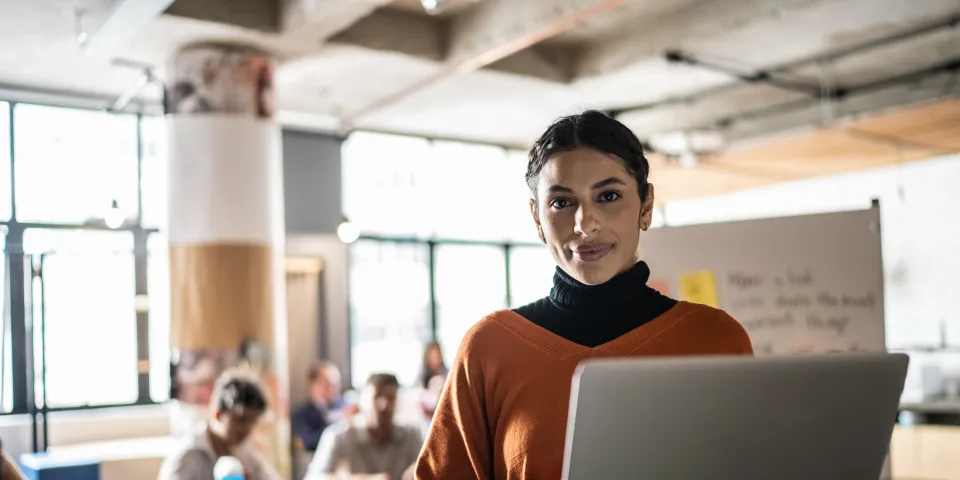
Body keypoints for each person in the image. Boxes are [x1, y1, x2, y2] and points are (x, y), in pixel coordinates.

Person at [415, 111, 754, 479]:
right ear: (537, 219)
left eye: (608, 196)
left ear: (645, 206)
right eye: (562, 202)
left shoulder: (716, 339)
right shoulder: (489, 347)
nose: (585, 223)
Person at [158, 369, 281, 480]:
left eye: (252, 422)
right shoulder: (188, 456)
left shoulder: (245, 451)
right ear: (217, 414)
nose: (246, 429)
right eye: (241, 420)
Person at [305, 373, 423, 480]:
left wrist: (418, 472)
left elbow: (432, 468)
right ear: (361, 400)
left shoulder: (412, 434)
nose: (384, 405)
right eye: (377, 396)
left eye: (391, 398)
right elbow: (313, 477)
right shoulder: (339, 434)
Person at [292, 361, 349, 452]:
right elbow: (308, 442)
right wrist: (339, 421)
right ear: (313, 385)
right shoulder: (302, 414)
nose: (334, 388)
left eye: (337, 384)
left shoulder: (346, 406)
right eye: (328, 384)